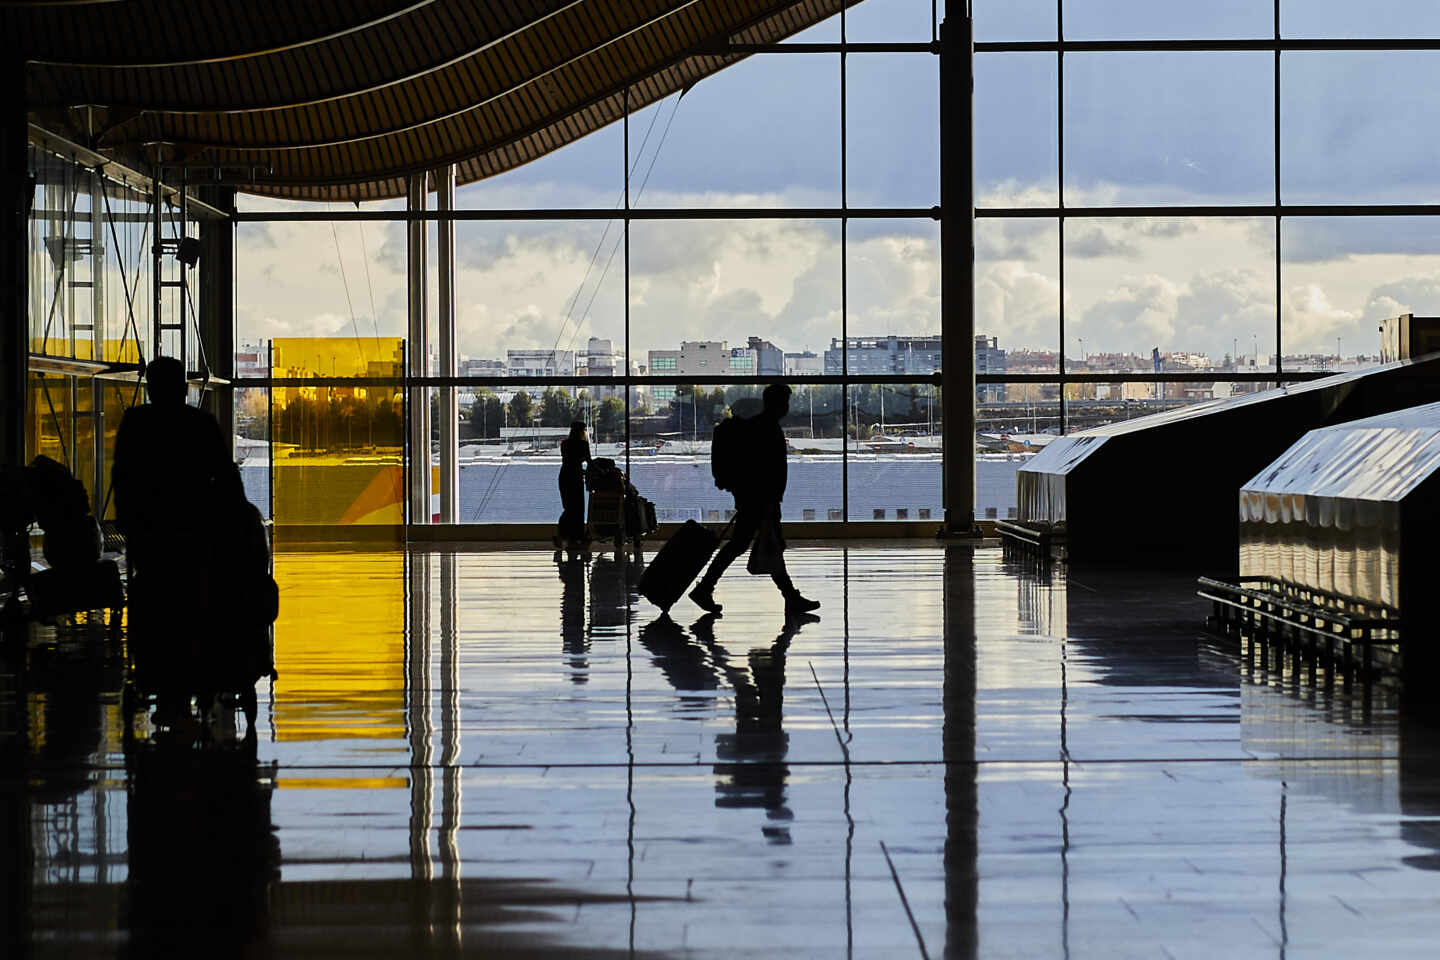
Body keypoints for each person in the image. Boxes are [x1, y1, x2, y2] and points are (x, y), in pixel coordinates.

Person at [111, 356, 242, 721]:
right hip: (194, 528)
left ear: (151, 387)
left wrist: (129, 520)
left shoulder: (136, 423)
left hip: (151, 529)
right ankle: (195, 664)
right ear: (183, 387)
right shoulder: (199, 424)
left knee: (153, 595)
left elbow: (122, 473)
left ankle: (155, 665)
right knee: (194, 596)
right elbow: (224, 474)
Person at [689, 383, 819, 615]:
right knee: (759, 545)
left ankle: (789, 597)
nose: (787, 408)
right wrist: (769, 500)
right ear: (777, 403)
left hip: (754, 497)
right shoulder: (766, 428)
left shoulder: (760, 426)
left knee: (756, 545)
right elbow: (766, 469)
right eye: (785, 402)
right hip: (762, 500)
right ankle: (706, 588)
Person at [556, 420, 591, 551]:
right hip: (575, 479)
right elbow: (588, 462)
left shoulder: (564, 444)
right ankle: (576, 537)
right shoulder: (583, 444)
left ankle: (562, 535)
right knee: (577, 509)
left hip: (564, 477)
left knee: (568, 508)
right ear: (582, 431)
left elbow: (569, 462)